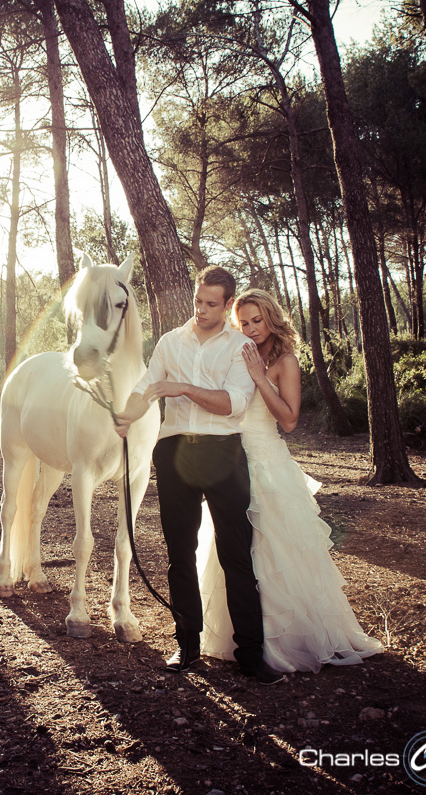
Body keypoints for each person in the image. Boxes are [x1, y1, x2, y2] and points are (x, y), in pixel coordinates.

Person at [196, 289, 384, 673]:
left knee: (276, 550)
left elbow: (290, 420)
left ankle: (294, 637)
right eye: (243, 323)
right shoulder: (236, 352)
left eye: (256, 321)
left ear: (271, 318)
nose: (249, 329)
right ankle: (239, 637)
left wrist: (258, 377)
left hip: (268, 464)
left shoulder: (286, 362)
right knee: (233, 550)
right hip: (231, 461)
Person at [115, 267, 286, 685]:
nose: (203, 310)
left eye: (212, 304)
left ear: (228, 304)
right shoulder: (170, 342)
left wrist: (183, 388)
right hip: (174, 453)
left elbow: (233, 404)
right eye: (198, 301)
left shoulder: (241, 346)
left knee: (236, 555)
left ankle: (251, 655)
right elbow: (146, 387)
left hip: (224, 454)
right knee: (179, 554)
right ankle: (187, 645)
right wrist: (126, 414)